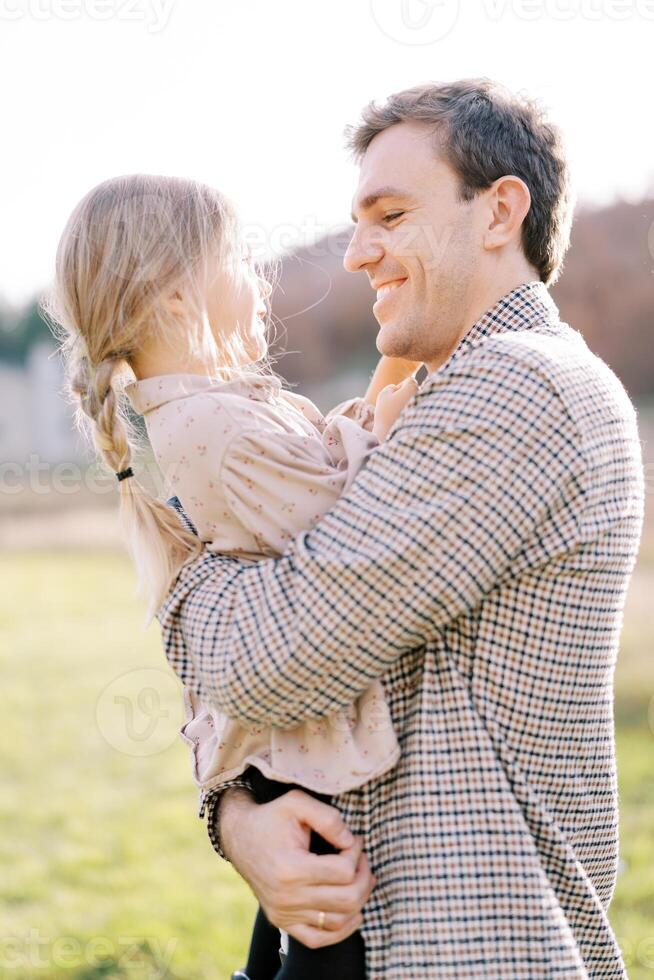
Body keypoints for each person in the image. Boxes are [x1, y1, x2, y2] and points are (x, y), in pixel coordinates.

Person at [158, 80, 645, 978]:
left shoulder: (521, 388)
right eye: (356, 222)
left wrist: (169, 561)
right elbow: (312, 682)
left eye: (389, 215)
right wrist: (237, 817)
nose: (356, 254)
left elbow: (276, 662)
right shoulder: (415, 409)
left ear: (499, 212)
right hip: (357, 942)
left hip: (465, 950)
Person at [46, 171, 422, 979]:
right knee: (331, 949)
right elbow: (344, 513)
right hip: (312, 757)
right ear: (176, 296)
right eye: (239, 261)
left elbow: (309, 469)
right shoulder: (209, 424)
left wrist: (373, 402)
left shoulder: (197, 411)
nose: (258, 281)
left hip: (284, 753)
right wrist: (390, 426)